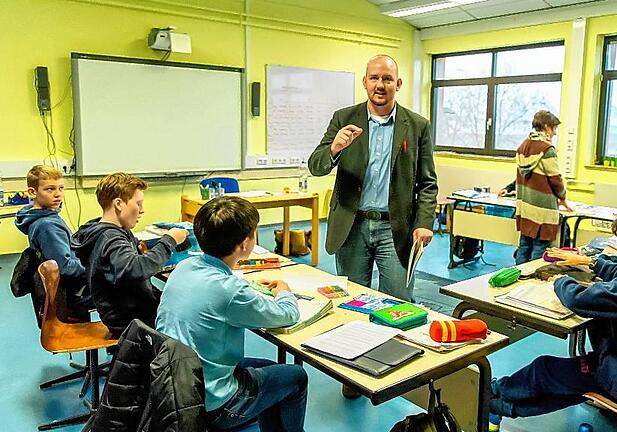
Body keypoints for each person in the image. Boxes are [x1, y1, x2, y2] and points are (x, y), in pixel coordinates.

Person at [489, 206, 617, 421]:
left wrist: (561, 281)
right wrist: (594, 263)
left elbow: (578, 300)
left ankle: (490, 391)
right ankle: (499, 405)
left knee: (544, 370)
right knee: (568, 385)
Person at [156, 196, 306, 432]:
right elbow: (287, 315)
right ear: (245, 244)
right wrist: (284, 291)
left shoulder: (183, 267)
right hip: (212, 403)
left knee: (268, 367)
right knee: (296, 377)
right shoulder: (230, 291)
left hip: (174, 385)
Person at [308, 54, 438, 302]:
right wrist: (334, 149)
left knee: (398, 301)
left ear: (398, 84)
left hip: (396, 228)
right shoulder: (343, 118)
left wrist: (424, 222)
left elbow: (428, 182)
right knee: (352, 300)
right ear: (365, 82)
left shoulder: (417, 125)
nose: (380, 84)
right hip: (352, 224)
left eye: (387, 79)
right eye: (374, 78)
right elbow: (316, 165)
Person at [72, 172, 187, 337]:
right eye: (138, 204)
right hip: (130, 320)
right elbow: (135, 269)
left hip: (128, 311)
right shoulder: (111, 238)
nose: (142, 210)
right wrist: (169, 241)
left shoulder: (105, 231)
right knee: (192, 316)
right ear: (118, 204)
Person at [15, 165, 90, 322]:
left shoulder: (38, 218)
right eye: (50, 189)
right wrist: (93, 264)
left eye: (61, 188)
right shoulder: (47, 225)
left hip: (68, 288)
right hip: (73, 292)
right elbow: (65, 267)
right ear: (32, 192)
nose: (58, 194)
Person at [514, 110, 571, 264]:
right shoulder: (547, 149)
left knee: (524, 246)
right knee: (540, 250)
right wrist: (563, 197)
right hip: (542, 211)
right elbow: (555, 179)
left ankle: (519, 281)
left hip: (526, 208)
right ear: (546, 127)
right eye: (554, 129)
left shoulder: (522, 147)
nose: (555, 133)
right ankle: (532, 284)